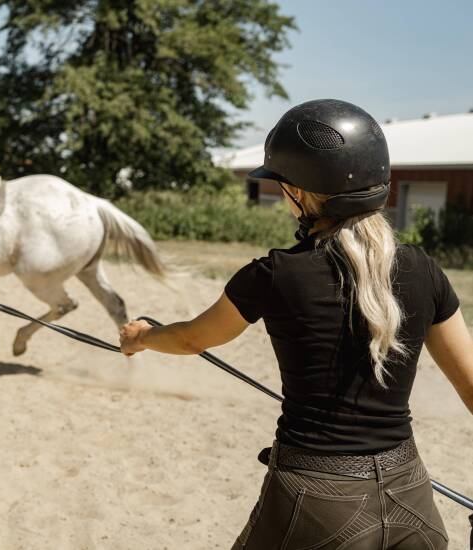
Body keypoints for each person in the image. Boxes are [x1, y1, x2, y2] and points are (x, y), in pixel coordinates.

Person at [119, 99, 473, 549]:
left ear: (300, 194)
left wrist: (142, 337)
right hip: (411, 499)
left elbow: (192, 339)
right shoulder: (425, 269)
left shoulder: (273, 275)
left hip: (314, 499)